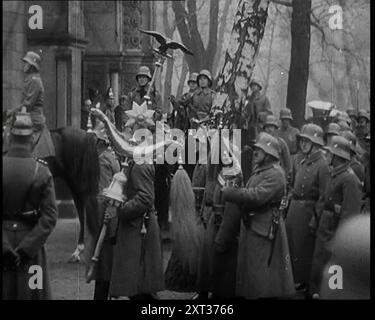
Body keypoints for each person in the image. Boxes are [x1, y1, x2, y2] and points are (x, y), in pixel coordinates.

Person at [222, 132, 295, 299]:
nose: (255, 152)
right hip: (254, 224)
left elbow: (256, 196)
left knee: (260, 271)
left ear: (269, 153)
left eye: (259, 150)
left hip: (264, 225)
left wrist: (231, 193)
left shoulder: (276, 174)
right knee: (253, 269)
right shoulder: (261, 170)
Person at [105, 118, 164, 300]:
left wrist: (120, 210)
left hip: (138, 228)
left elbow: (145, 198)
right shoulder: (135, 161)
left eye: (130, 134)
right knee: (137, 285)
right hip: (135, 228)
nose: (127, 138)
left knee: (138, 285)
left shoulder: (140, 164)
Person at [3, 110, 58, 300]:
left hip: (4, 241)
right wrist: (27, 249)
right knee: (34, 294)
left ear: (9, 136)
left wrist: (4, 247)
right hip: (32, 249)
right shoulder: (42, 171)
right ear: (32, 139)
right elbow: (50, 217)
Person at [310, 135, 362, 298]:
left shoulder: (349, 179)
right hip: (325, 232)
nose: (327, 156)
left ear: (337, 156)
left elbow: (349, 216)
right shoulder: (335, 175)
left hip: (334, 237)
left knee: (334, 276)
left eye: (330, 153)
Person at [285, 123, 329, 296]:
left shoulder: (322, 165)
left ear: (316, 143)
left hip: (308, 211)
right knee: (293, 246)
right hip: (295, 209)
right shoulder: (302, 160)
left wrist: (315, 218)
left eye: (307, 141)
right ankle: (296, 279)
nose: (303, 144)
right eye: (302, 140)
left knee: (304, 249)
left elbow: (323, 196)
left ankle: (303, 282)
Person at [84, 121, 120, 300]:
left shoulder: (103, 160)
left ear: (100, 142)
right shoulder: (109, 156)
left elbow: (104, 194)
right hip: (108, 215)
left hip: (105, 217)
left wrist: (98, 221)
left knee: (103, 264)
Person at [5, 51, 55, 158]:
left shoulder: (35, 81)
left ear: (32, 66)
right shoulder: (29, 79)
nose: (24, 65)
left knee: (11, 128)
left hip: (33, 118)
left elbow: (27, 104)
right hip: (28, 113)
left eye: (26, 63)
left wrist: (12, 112)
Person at [263, 115, 292, 185]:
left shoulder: (281, 143)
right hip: (263, 176)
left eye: (271, 127)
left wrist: (286, 178)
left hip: (278, 176)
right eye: (267, 127)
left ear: (275, 129)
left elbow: (287, 163)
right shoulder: (261, 143)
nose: (269, 129)